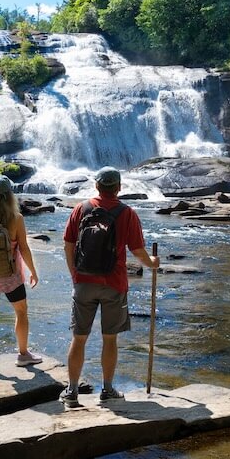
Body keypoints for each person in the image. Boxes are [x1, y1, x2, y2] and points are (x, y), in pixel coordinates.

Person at [61, 166, 160, 407]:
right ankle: (107, 389)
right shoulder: (127, 213)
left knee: (79, 337)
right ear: (119, 188)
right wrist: (152, 263)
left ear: (96, 185)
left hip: (84, 282)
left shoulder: (81, 209)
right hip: (114, 284)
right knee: (110, 339)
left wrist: (74, 273)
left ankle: (72, 392)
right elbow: (137, 250)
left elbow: (68, 244)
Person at [0, 175, 42, 373]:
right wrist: (33, 271)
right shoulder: (16, 219)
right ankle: (22, 354)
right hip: (12, 276)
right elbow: (23, 248)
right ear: (10, 195)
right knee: (21, 311)